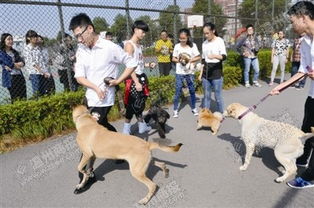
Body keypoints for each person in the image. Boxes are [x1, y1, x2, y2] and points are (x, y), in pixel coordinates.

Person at [69, 13, 137, 193]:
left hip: (104, 100)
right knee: (104, 126)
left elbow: (131, 63)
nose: (79, 39)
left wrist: (118, 81)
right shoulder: (81, 50)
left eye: (80, 34)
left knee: (88, 138)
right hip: (90, 98)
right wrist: (95, 87)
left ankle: (86, 175)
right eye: (76, 36)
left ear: (90, 28)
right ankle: (121, 148)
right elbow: (79, 77)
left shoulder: (109, 47)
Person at [271, 1, 314, 189]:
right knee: (307, 128)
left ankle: (311, 176)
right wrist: (281, 87)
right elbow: (303, 70)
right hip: (313, 95)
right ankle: (302, 159)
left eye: (293, 21)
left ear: (303, 17)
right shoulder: (304, 41)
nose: (291, 25)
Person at [122, 20, 155, 135]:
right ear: (135, 30)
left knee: (140, 103)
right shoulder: (129, 45)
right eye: (143, 31)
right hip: (132, 78)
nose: (144, 34)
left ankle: (141, 126)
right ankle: (126, 129)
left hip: (140, 76)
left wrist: (148, 64)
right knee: (132, 104)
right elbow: (129, 66)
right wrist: (136, 82)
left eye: (145, 32)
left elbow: (138, 62)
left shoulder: (138, 45)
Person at [172, 28, 201, 118]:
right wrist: (180, 61)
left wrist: (189, 60)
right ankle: (175, 109)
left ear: (188, 37)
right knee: (178, 90)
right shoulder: (177, 46)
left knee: (192, 90)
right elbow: (173, 58)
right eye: (180, 38)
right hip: (179, 72)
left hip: (190, 72)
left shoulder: (193, 46)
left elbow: (198, 57)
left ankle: (193, 107)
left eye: (184, 38)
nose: (182, 40)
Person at [199, 23, 227, 113]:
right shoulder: (204, 44)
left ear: (213, 31)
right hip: (206, 73)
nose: (206, 35)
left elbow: (224, 56)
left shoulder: (219, 41)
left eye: (207, 33)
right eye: (204, 33)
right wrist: (200, 74)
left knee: (217, 96)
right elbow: (203, 60)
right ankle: (206, 115)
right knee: (206, 96)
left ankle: (221, 114)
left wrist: (215, 56)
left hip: (216, 72)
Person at [0, 33, 27, 102]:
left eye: (11, 39)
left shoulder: (15, 52)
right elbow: (9, 64)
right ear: (3, 41)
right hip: (10, 78)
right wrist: (17, 64)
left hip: (19, 76)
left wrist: (16, 64)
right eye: (8, 39)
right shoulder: (1, 52)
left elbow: (23, 62)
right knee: (15, 98)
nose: (11, 41)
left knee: (23, 97)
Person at [23, 30, 49, 97]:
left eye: (36, 36)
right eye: (34, 37)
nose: (36, 38)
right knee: (37, 92)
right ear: (28, 38)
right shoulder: (27, 48)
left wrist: (45, 71)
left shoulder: (38, 48)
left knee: (44, 92)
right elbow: (33, 63)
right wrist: (42, 72)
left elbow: (42, 61)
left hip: (42, 72)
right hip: (34, 73)